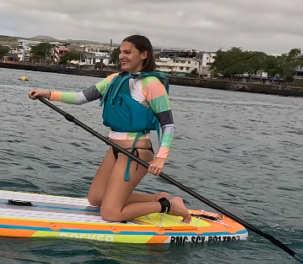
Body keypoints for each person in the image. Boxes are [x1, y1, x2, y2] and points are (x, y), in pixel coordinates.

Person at [28, 35, 191, 223]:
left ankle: (169, 206)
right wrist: (48, 94)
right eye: (120, 52)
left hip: (136, 152)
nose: (122, 56)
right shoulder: (115, 79)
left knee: (110, 213)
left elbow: (168, 124)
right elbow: (81, 97)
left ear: (144, 54)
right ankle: (158, 198)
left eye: (128, 52)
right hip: (115, 148)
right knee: (96, 198)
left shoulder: (152, 85)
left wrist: (161, 157)